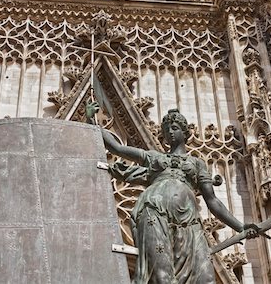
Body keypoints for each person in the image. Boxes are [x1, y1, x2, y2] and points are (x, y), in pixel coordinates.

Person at [86, 103, 259, 284]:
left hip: (189, 220)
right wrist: (92, 120)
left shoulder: (197, 163)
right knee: (162, 277)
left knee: (205, 277)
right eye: (167, 130)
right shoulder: (155, 157)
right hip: (154, 211)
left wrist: (240, 226)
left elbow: (213, 201)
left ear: (185, 133)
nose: (170, 132)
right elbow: (117, 149)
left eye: (174, 128)